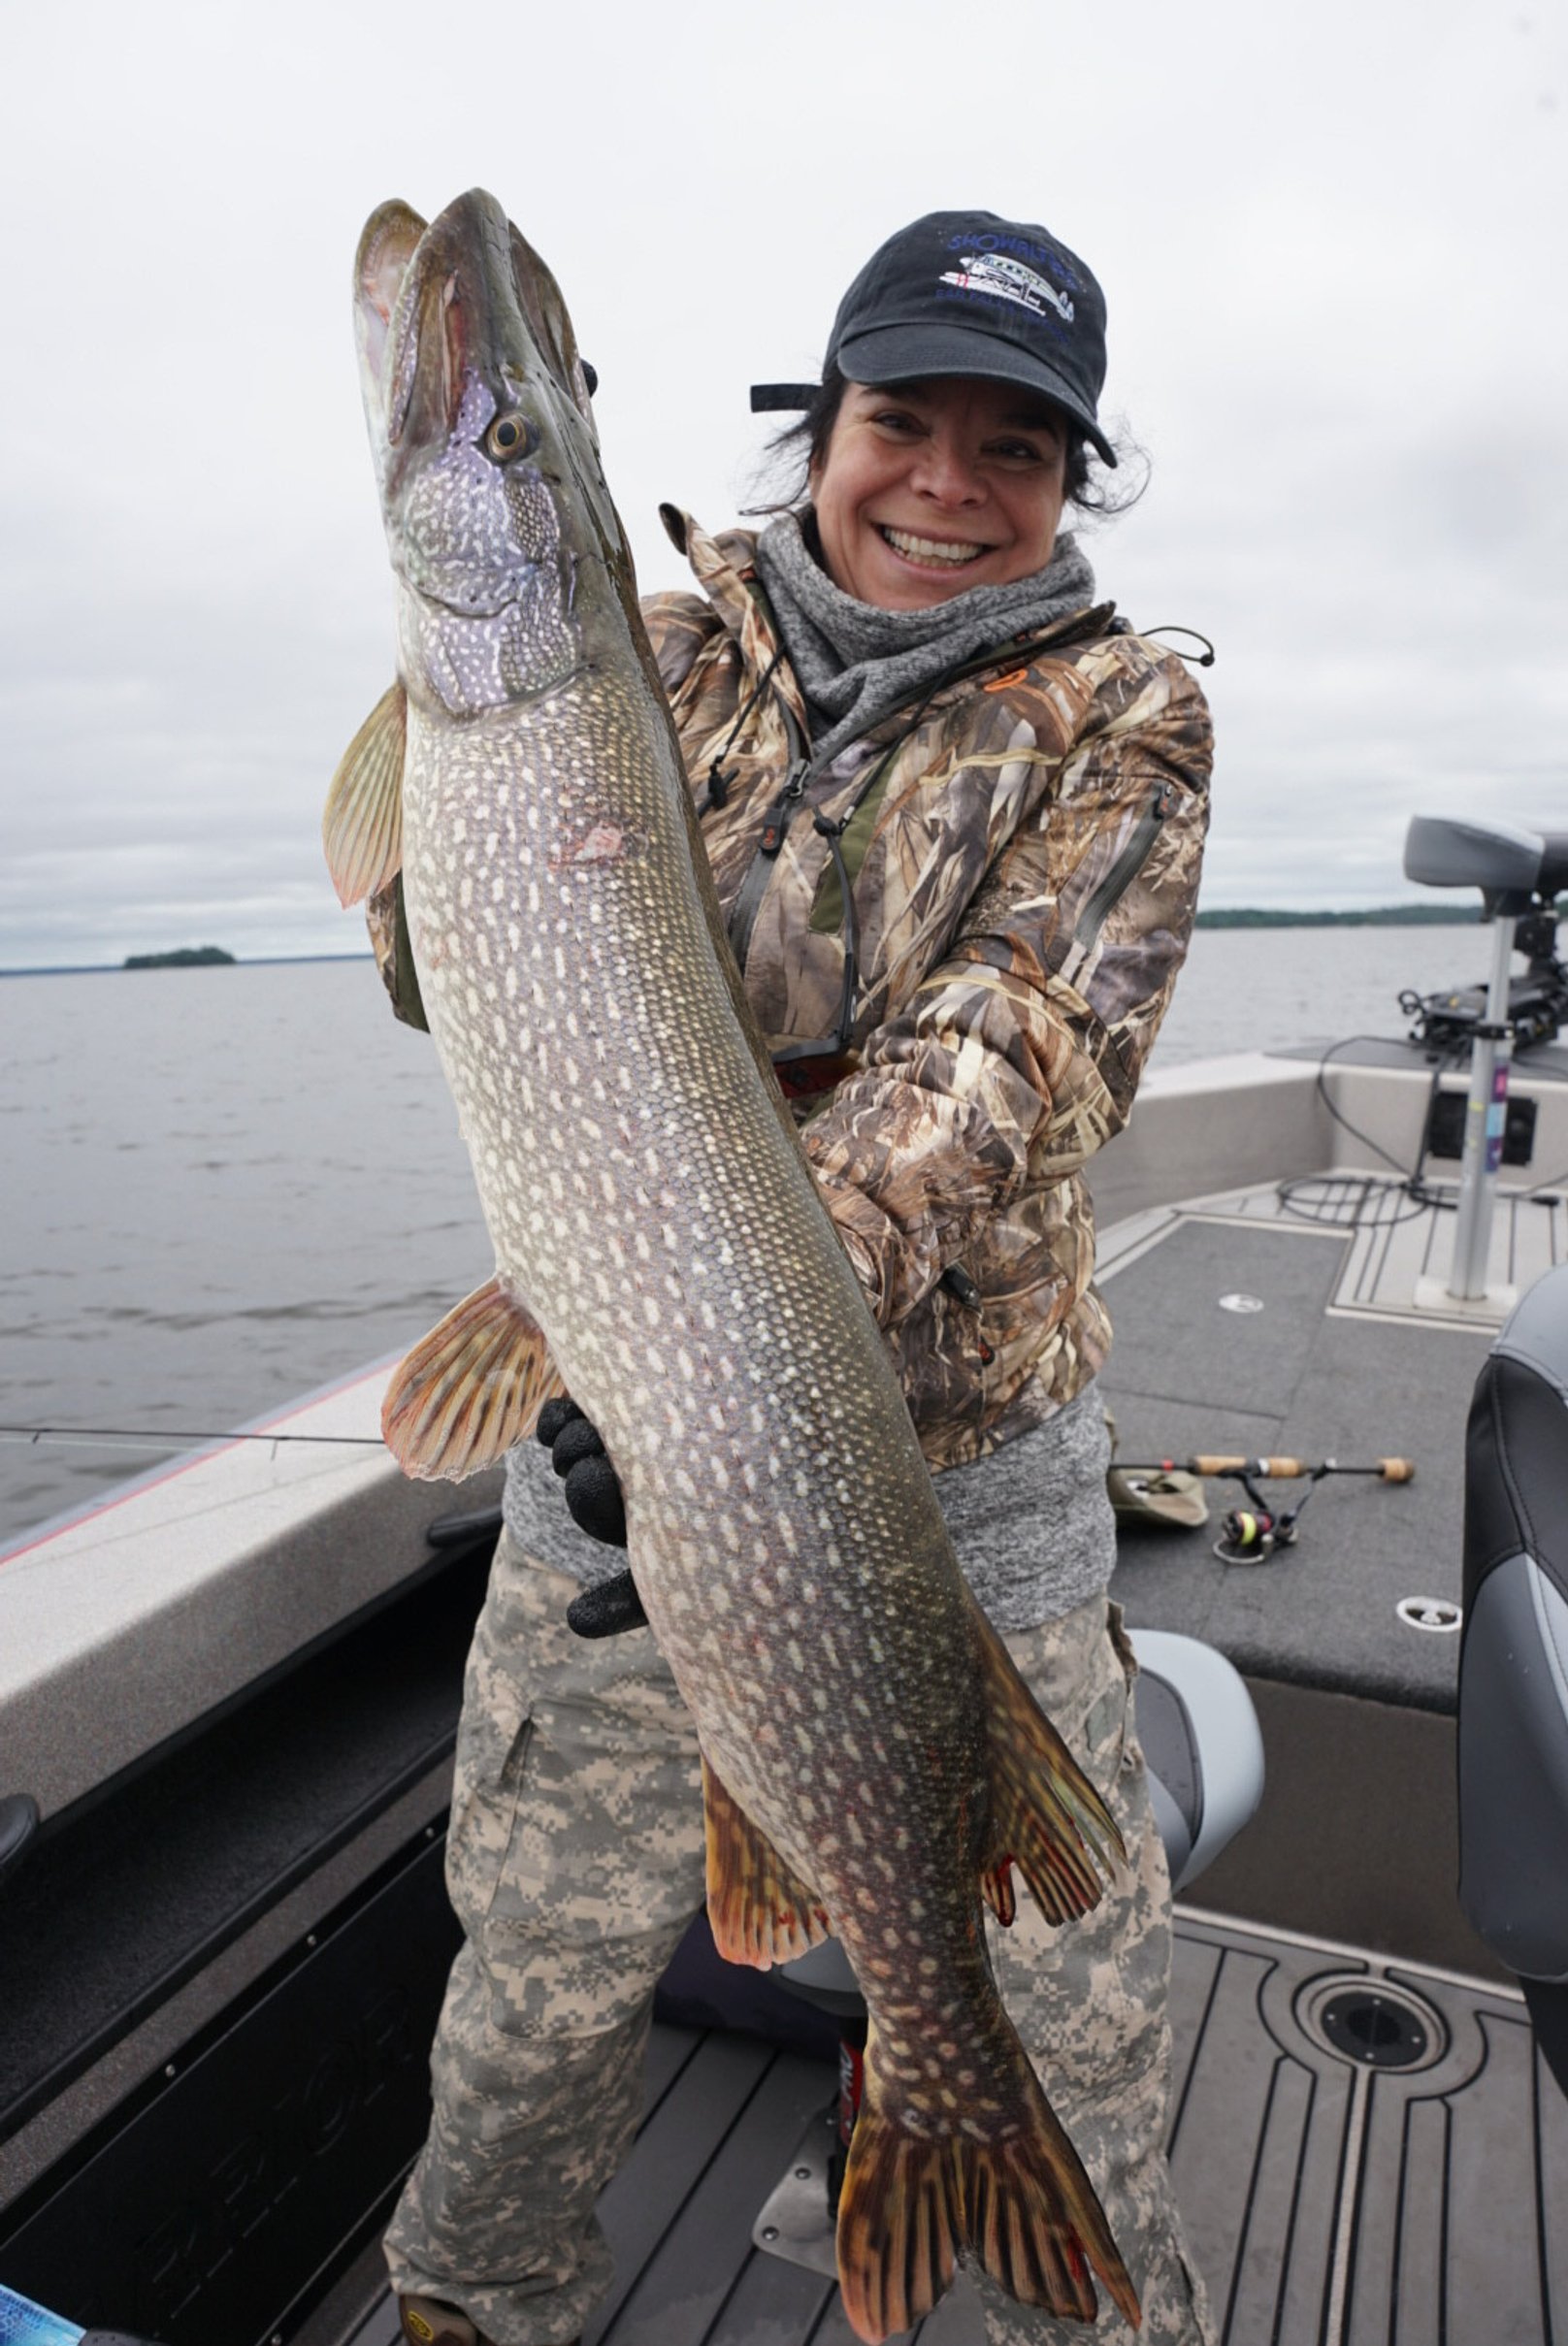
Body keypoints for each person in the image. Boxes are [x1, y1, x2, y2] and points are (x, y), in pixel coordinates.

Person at [374, 210, 1216, 2346]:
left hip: (959, 1504)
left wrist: (726, 1340)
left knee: (1087, 2061)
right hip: (615, 1492)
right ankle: (475, 2314)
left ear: (1066, 484)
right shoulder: (638, 659)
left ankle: (1011, 2211)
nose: (945, 482)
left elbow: (1015, 1055)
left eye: (1011, 448)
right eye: (898, 420)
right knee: (530, 2020)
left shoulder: (1125, 716)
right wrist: (416, 885)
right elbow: (440, 975)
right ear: (817, 430)